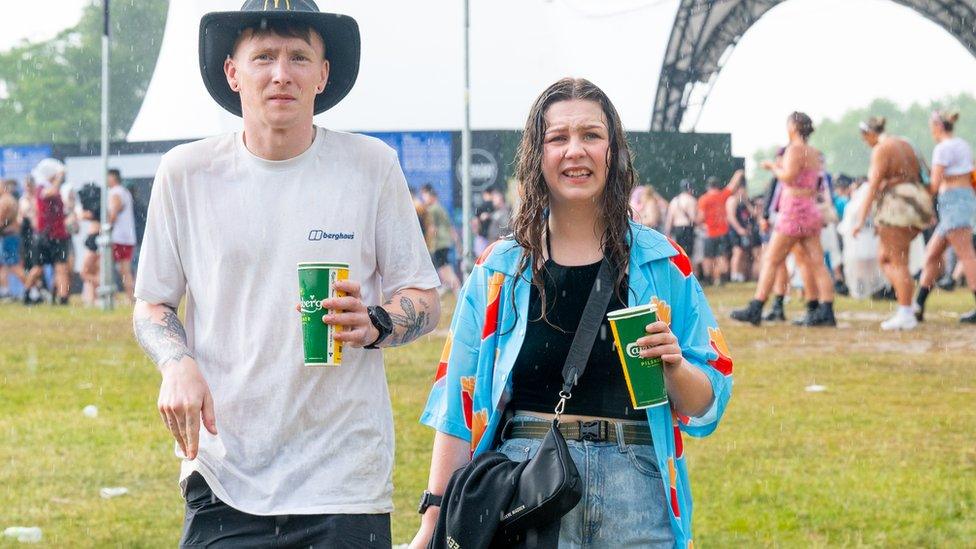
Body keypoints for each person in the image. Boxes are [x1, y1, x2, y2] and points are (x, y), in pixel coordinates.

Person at [131, 2, 441, 546]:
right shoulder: (186, 174)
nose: (281, 73)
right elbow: (152, 303)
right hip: (225, 472)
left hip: (344, 478)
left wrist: (375, 323)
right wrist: (176, 362)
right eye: (264, 56)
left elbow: (424, 298)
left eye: (300, 57)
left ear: (322, 75)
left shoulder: (371, 166)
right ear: (233, 71)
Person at [411, 78, 733, 549]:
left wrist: (676, 368)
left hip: (637, 488)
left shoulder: (663, 263)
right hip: (529, 487)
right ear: (537, 156)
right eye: (557, 138)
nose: (575, 150)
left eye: (591, 135)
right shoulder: (501, 269)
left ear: (613, 150)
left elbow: (707, 400)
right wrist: (431, 522)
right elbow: (458, 401)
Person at [731, 112, 836, 326]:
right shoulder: (814, 153)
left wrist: (773, 167)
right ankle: (826, 310)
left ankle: (757, 306)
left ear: (794, 127)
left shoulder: (793, 150)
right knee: (817, 262)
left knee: (771, 259)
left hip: (793, 211)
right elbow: (815, 183)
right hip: (810, 210)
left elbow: (788, 177)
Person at [851, 116, 934, 330]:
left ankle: (906, 311)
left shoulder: (882, 148)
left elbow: (873, 185)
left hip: (897, 205)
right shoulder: (906, 144)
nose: (865, 142)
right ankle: (906, 305)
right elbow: (925, 175)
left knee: (897, 261)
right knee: (885, 257)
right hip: (917, 201)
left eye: (865, 138)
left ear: (869, 133)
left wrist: (860, 219)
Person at [915, 110, 976, 324]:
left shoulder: (942, 149)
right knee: (932, 254)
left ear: (938, 126)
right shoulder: (963, 145)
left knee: (966, 255)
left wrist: (918, 181)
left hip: (952, 201)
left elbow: (933, 185)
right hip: (962, 199)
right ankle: (918, 305)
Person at [23, 158, 71, 305]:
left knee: (61, 267)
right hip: (45, 235)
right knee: (38, 268)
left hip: (57, 234)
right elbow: (51, 192)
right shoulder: (42, 188)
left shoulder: (48, 188)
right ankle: (26, 294)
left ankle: (63, 299)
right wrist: (59, 175)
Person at [697, 170, 744, 286]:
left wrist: (701, 222)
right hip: (723, 232)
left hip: (709, 233)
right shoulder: (722, 195)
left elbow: (700, 218)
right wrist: (738, 173)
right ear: (718, 186)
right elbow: (732, 185)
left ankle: (708, 280)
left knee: (708, 257)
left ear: (708, 186)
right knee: (722, 256)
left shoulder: (703, 199)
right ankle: (722, 280)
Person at [420, 183, 461, 294]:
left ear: (431, 196)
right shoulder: (440, 208)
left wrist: (427, 243)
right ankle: (452, 289)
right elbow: (450, 227)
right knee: (444, 268)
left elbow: (432, 229)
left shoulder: (432, 209)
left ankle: (457, 290)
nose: (424, 198)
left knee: (444, 269)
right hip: (444, 242)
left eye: (425, 195)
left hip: (439, 243)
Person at [107, 169, 137, 302]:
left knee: (106, 267)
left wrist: (106, 227)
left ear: (112, 178)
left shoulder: (115, 192)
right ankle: (131, 297)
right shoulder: (125, 192)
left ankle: (109, 297)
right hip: (128, 237)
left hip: (117, 237)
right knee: (125, 270)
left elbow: (114, 212)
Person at [0, 179, 26, 300]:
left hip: (9, 236)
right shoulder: (10, 199)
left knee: (13, 265)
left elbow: (1, 220)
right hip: (9, 236)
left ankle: (32, 287)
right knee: (4, 265)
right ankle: (5, 291)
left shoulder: (5, 201)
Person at [76, 181, 102, 306]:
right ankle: (94, 298)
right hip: (97, 238)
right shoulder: (101, 209)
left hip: (94, 239)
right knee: (94, 270)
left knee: (84, 272)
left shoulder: (95, 210)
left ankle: (105, 287)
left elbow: (84, 215)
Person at [726, 185, 756, 282]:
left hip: (744, 230)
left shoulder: (743, 201)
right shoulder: (732, 200)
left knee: (743, 253)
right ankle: (734, 275)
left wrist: (746, 202)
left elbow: (753, 213)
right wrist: (739, 229)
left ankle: (740, 274)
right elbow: (731, 217)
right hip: (735, 230)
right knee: (737, 252)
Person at [665, 178, 698, 257]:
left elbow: (669, 220)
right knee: (689, 254)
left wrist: (667, 234)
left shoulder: (674, 201)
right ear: (690, 189)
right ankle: (689, 269)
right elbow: (693, 218)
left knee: (680, 253)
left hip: (677, 230)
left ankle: (681, 269)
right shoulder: (691, 200)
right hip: (687, 229)